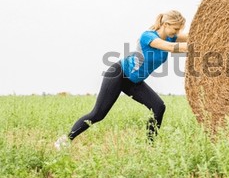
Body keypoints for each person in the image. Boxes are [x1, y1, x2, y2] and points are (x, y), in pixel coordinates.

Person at [54, 10, 188, 150]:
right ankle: (64, 141)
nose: (178, 32)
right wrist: (199, 47)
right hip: (118, 74)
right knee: (98, 114)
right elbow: (170, 48)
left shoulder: (170, 37)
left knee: (158, 107)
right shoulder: (148, 36)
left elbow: (194, 35)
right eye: (176, 28)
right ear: (166, 24)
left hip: (134, 82)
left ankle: (150, 148)